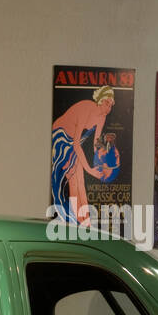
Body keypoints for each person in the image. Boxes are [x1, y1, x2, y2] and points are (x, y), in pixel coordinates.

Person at [51, 85, 116, 226]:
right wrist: (90, 170)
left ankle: (83, 222)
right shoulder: (87, 108)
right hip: (61, 136)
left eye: (111, 105)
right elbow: (76, 144)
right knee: (76, 178)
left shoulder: (102, 117)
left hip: (74, 141)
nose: (108, 108)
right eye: (107, 103)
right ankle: (79, 222)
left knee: (79, 182)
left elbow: (95, 143)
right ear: (100, 100)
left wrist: (100, 164)